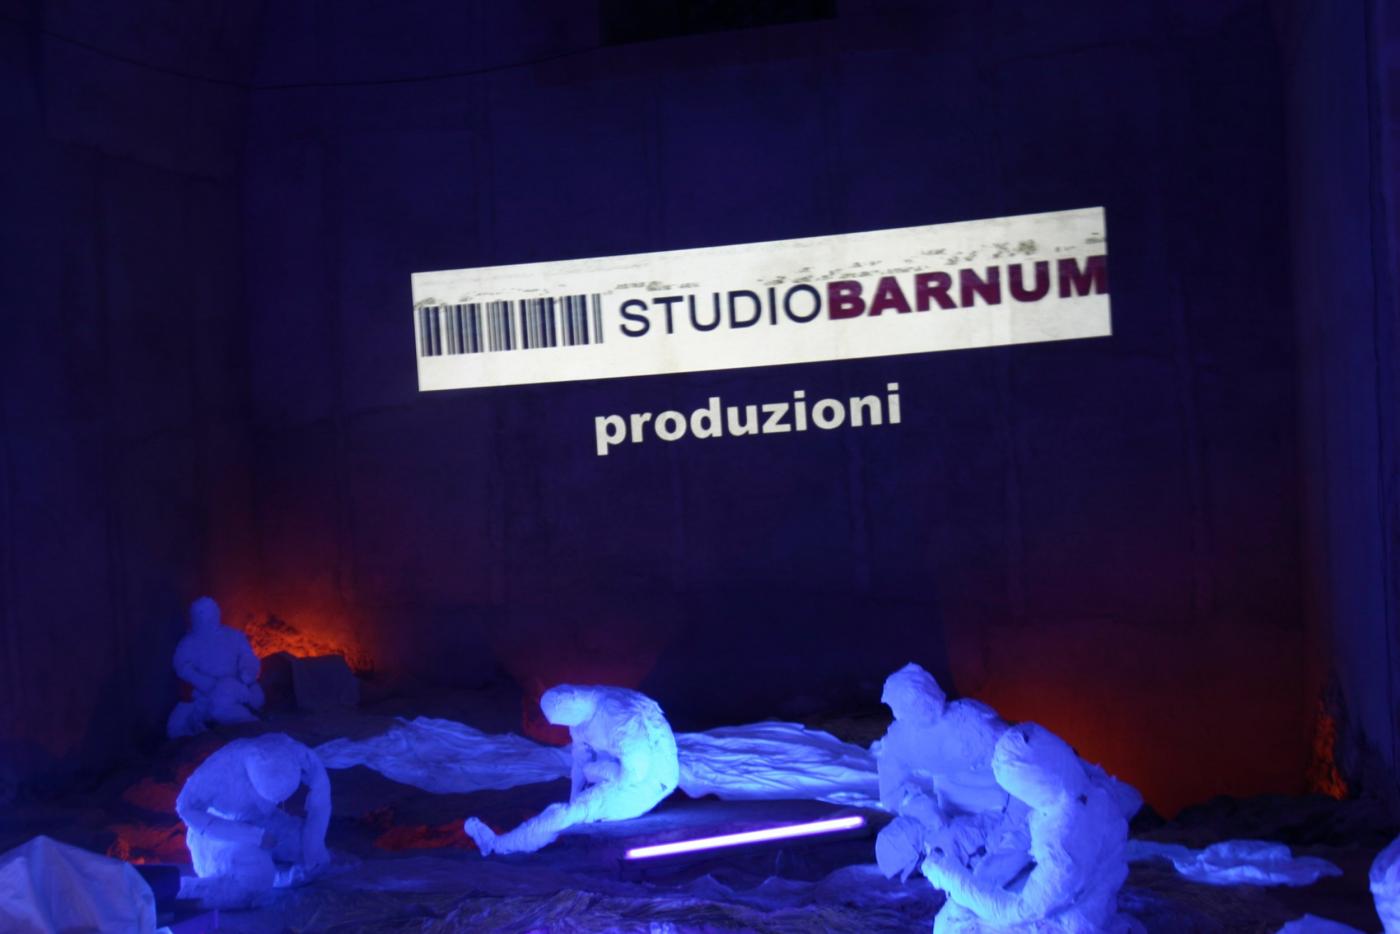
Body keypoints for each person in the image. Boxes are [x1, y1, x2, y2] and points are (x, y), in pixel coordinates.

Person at [922, 723, 1141, 933]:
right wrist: (985, 870)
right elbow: (1026, 833)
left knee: (952, 922)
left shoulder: (1065, 840)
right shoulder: (1079, 781)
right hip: (1080, 890)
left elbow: (1020, 910)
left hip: (1069, 921)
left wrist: (951, 877)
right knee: (966, 901)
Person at [464, 684, 679, 855]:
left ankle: (498, 845)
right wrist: (576, 794)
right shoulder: (583, 712)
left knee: (568, 812)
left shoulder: (618, 716)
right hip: (626, 767)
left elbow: (636, 773)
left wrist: (585, 794)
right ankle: (570, 812)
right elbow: (580, 760)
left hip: (650, 781)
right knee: (584, 780)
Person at [874, 663, 1030, 888]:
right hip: (947, 812)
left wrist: (1012, 824)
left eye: (917, 703)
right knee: (906, 840)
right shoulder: (902, 738)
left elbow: (1022, 766)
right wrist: (919, 807)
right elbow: (891, 790)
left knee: (962, 854)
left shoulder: (972, 722)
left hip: (998, 810)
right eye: (904, 708)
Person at [175, 733, 331, 908]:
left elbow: (321, 790)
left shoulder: (293, 751)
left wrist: (313, 844)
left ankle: (277, 878)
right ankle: (186, 891)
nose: (279, 801)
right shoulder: (219, 770)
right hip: (221, 830)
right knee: (255, 876)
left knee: (317, 860)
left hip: (263, 819)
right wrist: (254, 836)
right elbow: (185, 808)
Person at [167, 596, 265, 738]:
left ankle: (253, 725)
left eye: (209, 614)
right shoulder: (189, 643)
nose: (206, 619)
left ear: (216, 614)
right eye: (200, 615)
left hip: (237, 687)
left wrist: (247, 674)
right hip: (206, 694)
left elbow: (248, 658)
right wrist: (204, 682)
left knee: (221, 707)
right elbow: (182, 667)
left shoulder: (234, 636)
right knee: (177, 724)